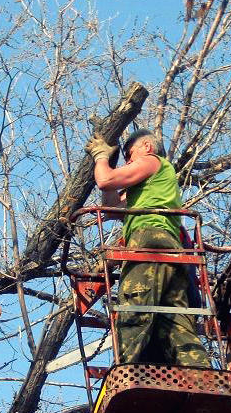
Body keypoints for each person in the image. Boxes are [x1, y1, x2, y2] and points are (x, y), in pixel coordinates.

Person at [85, 128, 211, 368]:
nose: (129, 163)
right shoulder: (148, 187)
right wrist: (109, 163)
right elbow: (112, 208)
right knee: (175, 321)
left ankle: (129, 373)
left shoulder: (151, 161)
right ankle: (199, 374)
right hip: (171, 251)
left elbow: (105, 180)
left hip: (148, 242)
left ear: (147, 146)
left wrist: (101, 157)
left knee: (135, 307)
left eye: (129, 156)